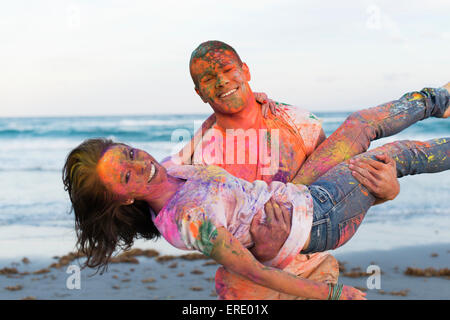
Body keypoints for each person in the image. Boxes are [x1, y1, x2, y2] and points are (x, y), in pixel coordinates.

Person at [160, 40, 450, 299]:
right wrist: (264, 249)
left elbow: (337, 195)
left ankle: (437, 99)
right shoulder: (198, 161)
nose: (222, 81)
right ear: (200, 92)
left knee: (370, 138)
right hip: (248, 291)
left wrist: (387, 190)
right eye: (209, 79)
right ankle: (437, 99)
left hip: (315, 270)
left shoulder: (299, 122)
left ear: (245, 70)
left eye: (227, 70)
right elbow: (211, 234)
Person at [63, 127, 450, 299]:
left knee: (368, 131)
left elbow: (200, 136)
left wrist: (388, 192)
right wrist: (332, 296)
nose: (141, 164)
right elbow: (253, 269)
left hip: (309, 201)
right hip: (316, 221)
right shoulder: (189, 221)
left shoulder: (174, 168)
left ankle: (437, 101)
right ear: (122, 200)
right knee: (396, 155)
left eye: (130, 153)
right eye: (127, 176)